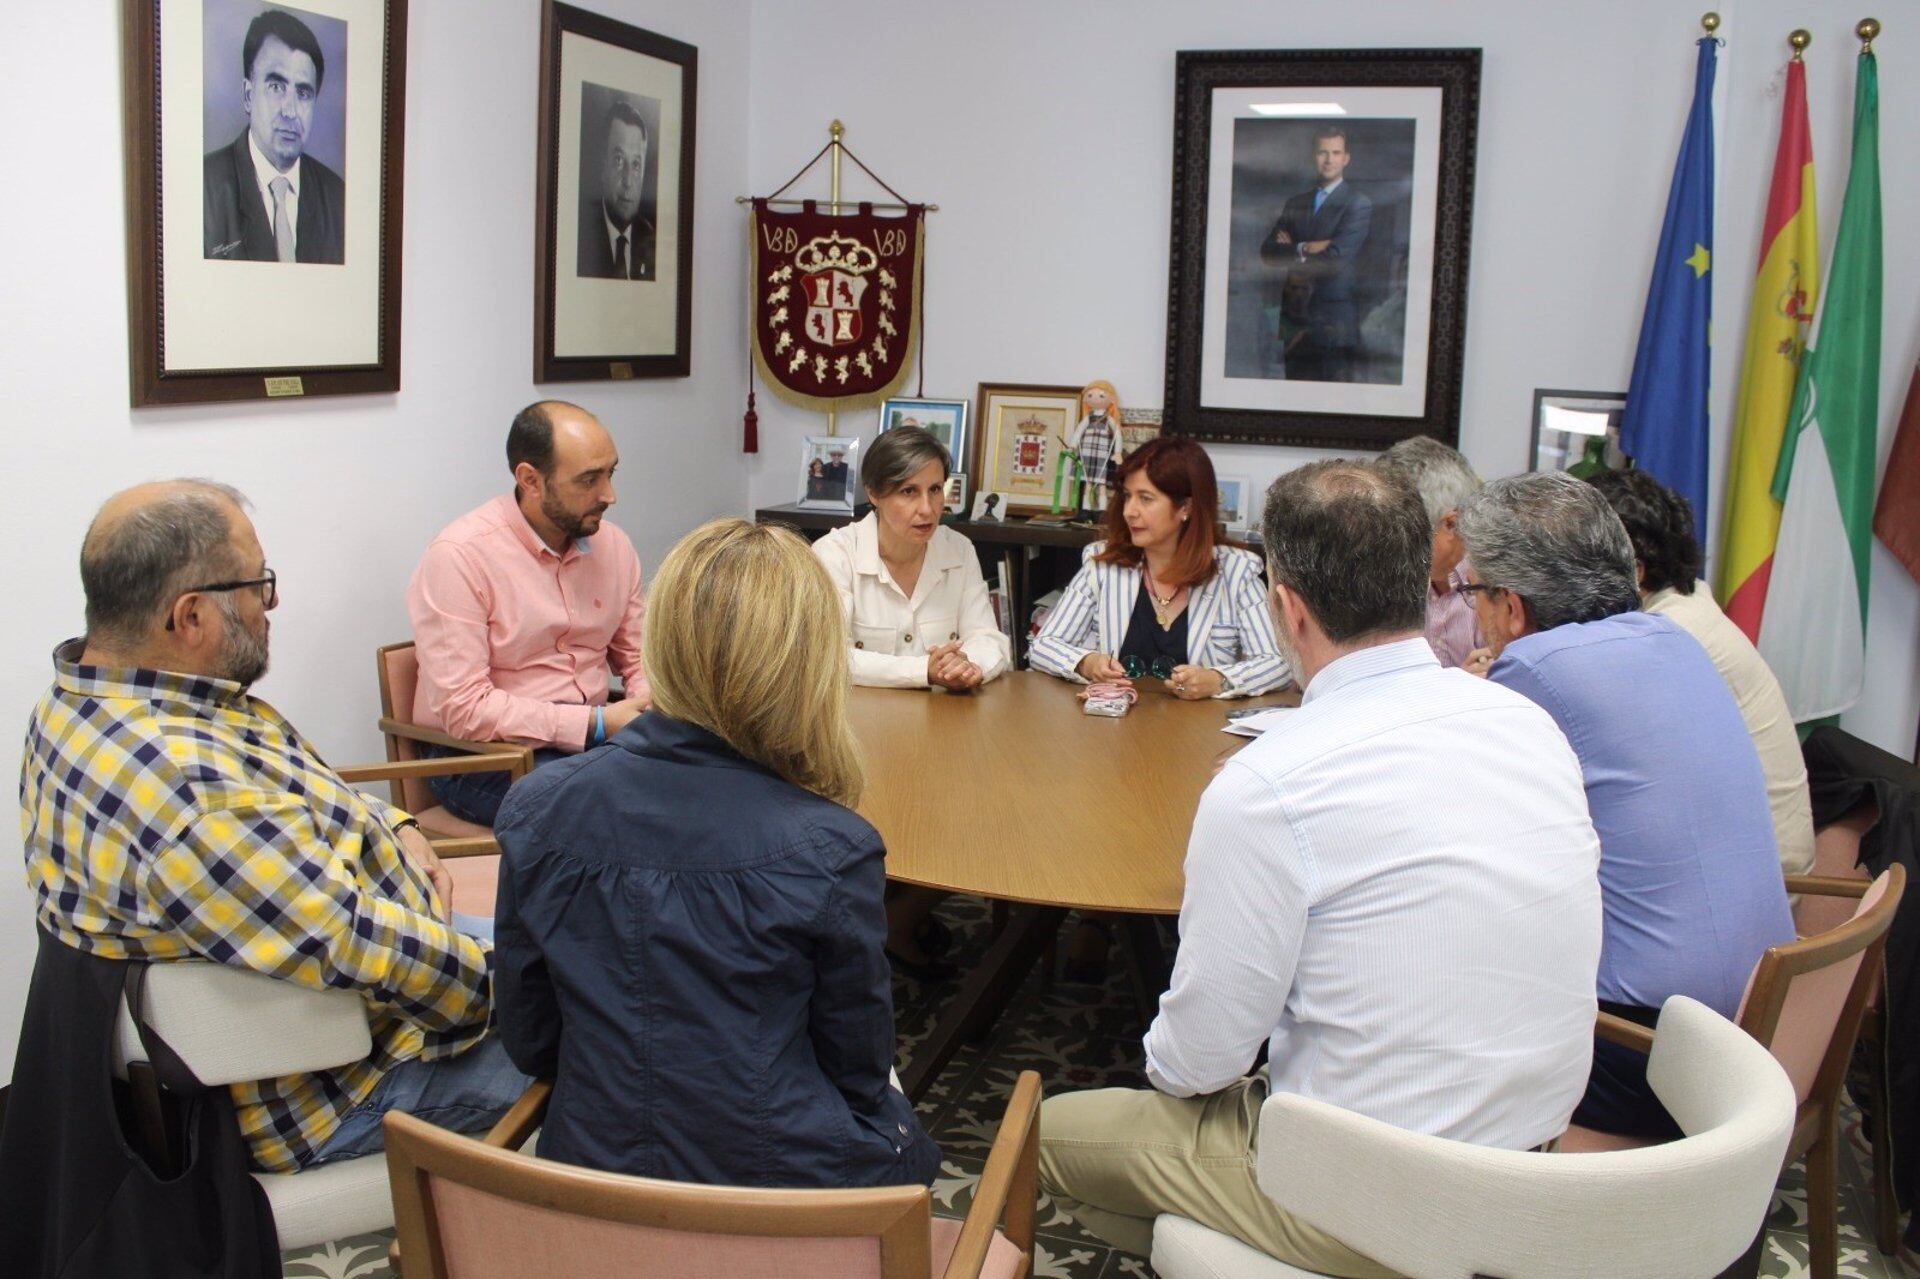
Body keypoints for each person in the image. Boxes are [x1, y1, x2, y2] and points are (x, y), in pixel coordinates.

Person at [1038, 461, 1603, 1275]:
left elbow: (1196, 1064)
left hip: (1373, 1192)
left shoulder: (1270, 784)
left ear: (1285, 606)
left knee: (1042, 1134)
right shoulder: (1530, 726)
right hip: (1535, 1169)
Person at [18, 481, 525, 1173]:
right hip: (345, 1078)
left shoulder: (89, 695)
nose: (272, 605)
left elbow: (295, 796)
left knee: (599, 955)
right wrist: (522, 990)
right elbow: (349, 942)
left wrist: (395, 823)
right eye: (260, 586)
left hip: (380, 976)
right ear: (190, 616)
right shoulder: (188, 790)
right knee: (629, 1051)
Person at [492, 518, 941, 1189]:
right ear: (807, 666)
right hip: (773, 1202)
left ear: (663, 642)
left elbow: (532, 1039)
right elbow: (856, 1071)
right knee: (917, 1153)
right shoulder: (832, 848)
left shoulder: (536, 809)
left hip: (590, 1179)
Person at [1456, 472, 1794, 1139]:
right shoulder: (1675, 640)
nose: (1475, 616)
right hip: (1757, 1015)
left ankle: (1463, 1211)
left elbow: (1470, 827)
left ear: (1513, 606)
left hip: (1650, 1044)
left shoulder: (1533, 670)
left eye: (1475, 594)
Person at [407, 401, 649, 825]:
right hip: (483, 757)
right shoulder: (460, 556)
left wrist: (648, 704)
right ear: (530, 480)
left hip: (594, 740)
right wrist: (593, 724)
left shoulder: (614, 546)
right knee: (616, 813)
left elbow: (639, 656)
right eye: (589, 480)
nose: (609, 495)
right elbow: (465, 710)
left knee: (707, 782)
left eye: (611, 473)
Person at [1586, 468, 1815, 876]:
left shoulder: (1669, 637)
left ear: (1634, 571)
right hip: (1739, 856)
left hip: (1755, 878)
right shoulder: (1682, 605)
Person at [1029, 436, 1290, 701]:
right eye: (1128, 496)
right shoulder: (1103, 564)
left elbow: (1278, 663)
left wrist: (1218, 680)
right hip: (1113, 728)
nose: (1130, 511)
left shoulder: (1236, 572)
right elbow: (1042, 646)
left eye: (1145, 498)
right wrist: (1086, 662)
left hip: (1202, 734)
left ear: (1185, 507)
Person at [814, 426, 1009, 692]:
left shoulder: (959, 549)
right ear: (873, 493)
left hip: (946, 719)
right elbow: (829, 658)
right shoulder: (834, 554)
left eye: (935, 489)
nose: (927, 509)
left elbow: (988, 638)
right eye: (909, 491)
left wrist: (968, 667)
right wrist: (923, 671)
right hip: (860, 722)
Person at [203, 9, 346, 264]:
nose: (290, 111)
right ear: (248, 95)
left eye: (303, 93)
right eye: (276, 87)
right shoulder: (203, 188)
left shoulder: (338, 199)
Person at [1259, 126, 1372, 382]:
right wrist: (1307, 247)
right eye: (1323, 152)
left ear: (1346, 158)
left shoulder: (1357, 203)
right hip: (1294, 319)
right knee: (1294, 400)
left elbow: (1334, 260)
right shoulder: (1295, 203)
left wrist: (1292, 248)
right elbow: (1268, 252)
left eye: (1336, 152)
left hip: (1333, 321)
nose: (1329, 159)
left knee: (1332, 404)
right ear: (1314, 156)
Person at [1380, 434, 1484, 669]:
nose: (1391, 548)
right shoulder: (1373, 577)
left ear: (1451, 523)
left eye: (1407, 536)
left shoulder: (1491, 584)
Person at [576, 98, 654, 280]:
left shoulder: (653, 241)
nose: (628, 181)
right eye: (619, 160)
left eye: (635, 165)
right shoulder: (581, 236)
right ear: (603, 166)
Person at [1065, 380, 1125, 516]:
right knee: (1088, 484)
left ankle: (1101, 511)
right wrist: (1072, 446)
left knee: (1101, 485)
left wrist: (1118, 452)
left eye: (1101, 396)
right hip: (1086, 453)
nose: (1095, 399)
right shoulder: (1088, 418)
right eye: (1090, 395)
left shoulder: (1109, 419)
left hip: (1102, 455)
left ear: (1112, 400)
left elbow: (1117, 435)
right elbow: (1078, 432)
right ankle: (1086, 510)